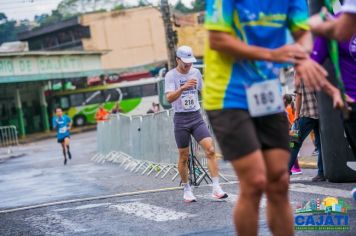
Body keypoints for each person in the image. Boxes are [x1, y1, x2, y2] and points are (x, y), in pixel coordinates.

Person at [203, 0, 334, 235]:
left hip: (268, 95)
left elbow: (301, 34)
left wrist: (303, 58)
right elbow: (218, 40)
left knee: (279, 182)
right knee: (253, 182)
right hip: (228, 96)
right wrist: (272, 54)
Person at [165, 45, 228, 202]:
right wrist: (183, 87)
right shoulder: (171, 76)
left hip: (196, 117)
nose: (188, 65)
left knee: (211, 150)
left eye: (190, 62)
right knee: (183, 156)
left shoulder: (195, 72)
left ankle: (216, 187)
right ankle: (187, 189)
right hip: (180, 119)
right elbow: (169, 98)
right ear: (177, 60)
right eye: (185, 62)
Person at [288, 82, 325, 181]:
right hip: (321, 113)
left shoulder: (300, 70)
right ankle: (321, 173)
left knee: (293, 143)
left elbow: (299, 95)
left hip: (306, 113)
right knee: (320, 144)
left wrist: (296, 115)